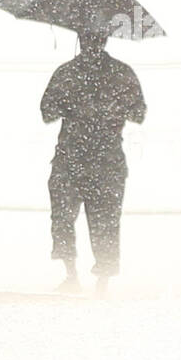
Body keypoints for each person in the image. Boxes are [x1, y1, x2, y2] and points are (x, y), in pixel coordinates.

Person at [40, 28, 146, 294]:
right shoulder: (121, 74)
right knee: (101, 221)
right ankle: (93, 279)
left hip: (79, 159)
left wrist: (79, 105)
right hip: (97, 160)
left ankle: (78, 276)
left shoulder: (67, 73)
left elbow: (47, 111)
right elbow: (138, 112)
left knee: (72, 217)